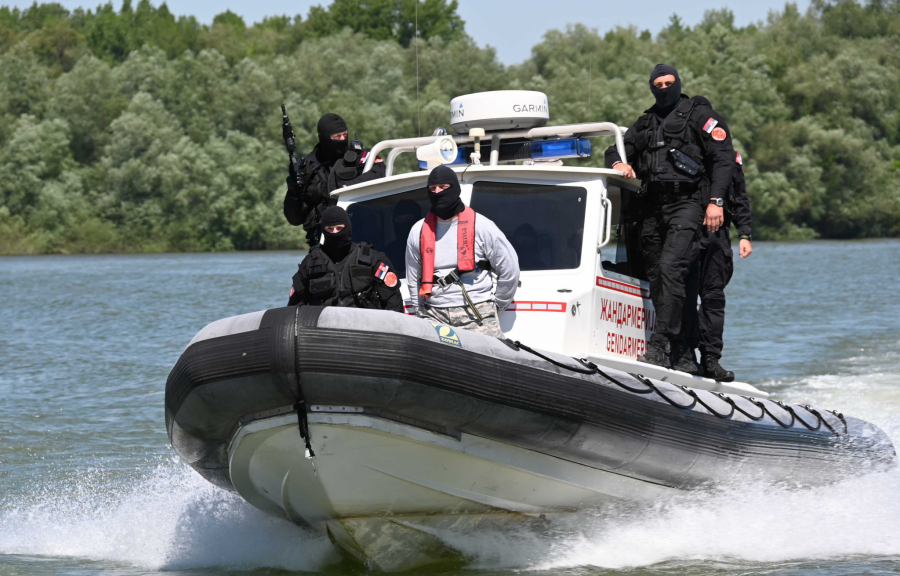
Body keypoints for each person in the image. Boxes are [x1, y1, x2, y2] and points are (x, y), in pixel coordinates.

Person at [604, 63, 736, 369]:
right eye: (657, 84)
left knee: (670, 268)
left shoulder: (700, 116)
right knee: (663, 280)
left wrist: (716, 202)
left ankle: (660, 344)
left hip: (689, 203)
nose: (663, 88)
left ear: (678, 82)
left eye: (668, 83)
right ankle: (685, 352)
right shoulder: (646, 122)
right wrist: (618, 165)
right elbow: (615, 149)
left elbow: (723, 159)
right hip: (653, 207)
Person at [405, 166, 520, 338]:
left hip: (477, 311)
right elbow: (413, 277)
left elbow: (510, 269)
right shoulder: (418, 230)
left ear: (455, 188)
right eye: (432, 189)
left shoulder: (482, 226)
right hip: (435, 315)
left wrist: (496, 306)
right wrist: (420, 312)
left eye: (443, 187)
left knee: (489, 361)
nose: (437, 192)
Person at [679, 150, 753, 381]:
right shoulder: (680, 150)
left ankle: (711, 359)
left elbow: (740, 196)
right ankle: (685, 355)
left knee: (713, 299)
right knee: (683, 296)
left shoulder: (729, 157)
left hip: (716, 236)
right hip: (683, 234)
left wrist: (745, 234)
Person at [283, 113, 386, 246]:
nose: (342, 139)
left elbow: (379, 172)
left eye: (345, 134)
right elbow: (294, 219)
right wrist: (293, 191)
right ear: (323, 138)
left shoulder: (361, 157)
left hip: (361, 238)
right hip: (322, 243)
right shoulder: (307, 168)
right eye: (337, 137)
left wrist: (346, 188)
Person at [288, 206, 404, 312]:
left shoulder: (372, 259)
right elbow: (295, 307)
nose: (335, 233)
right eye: (330, 229)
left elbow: (393, 302)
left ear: (348, 227)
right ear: (324, 230)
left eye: (339, 228)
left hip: (365, 329)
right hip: (324, 330)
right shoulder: (310, 263)